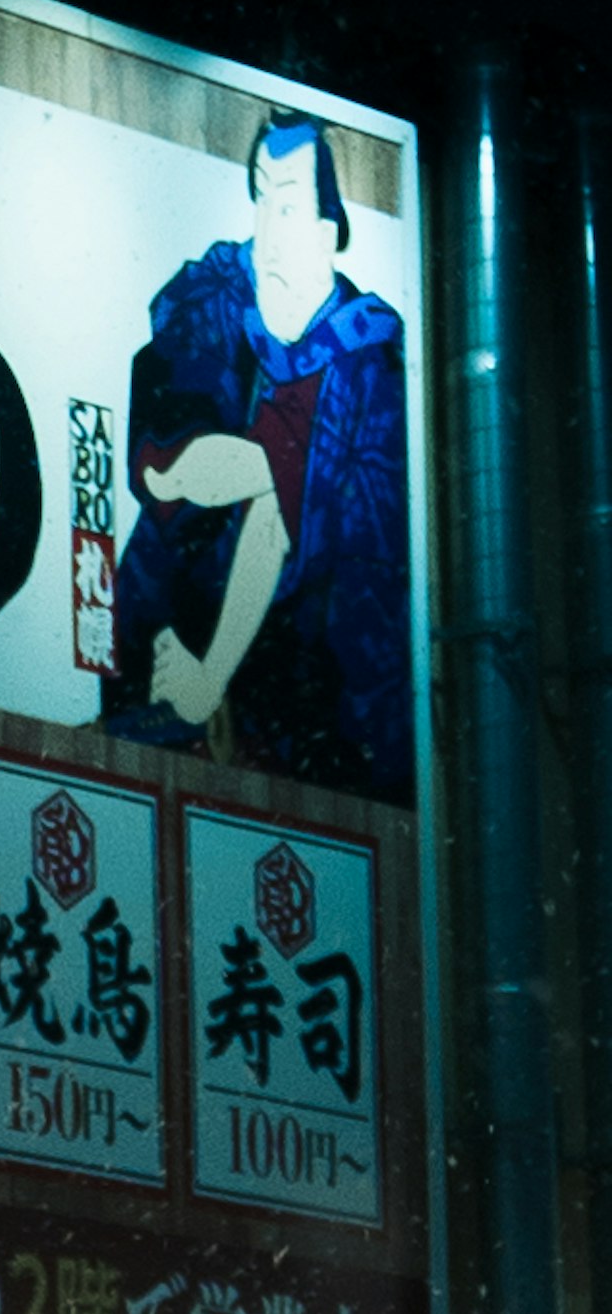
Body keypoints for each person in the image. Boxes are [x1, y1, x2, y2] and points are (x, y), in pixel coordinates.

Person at [99, 115, 411, 809]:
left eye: (292, 205)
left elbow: (286, 519)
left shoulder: (371, 365)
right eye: (261, 198)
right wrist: (270, 465)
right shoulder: (215, 297)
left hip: (316, 721)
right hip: (162, 663)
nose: (269, 228)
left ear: (330, 228)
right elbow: (171, 470)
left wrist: (212, 676)